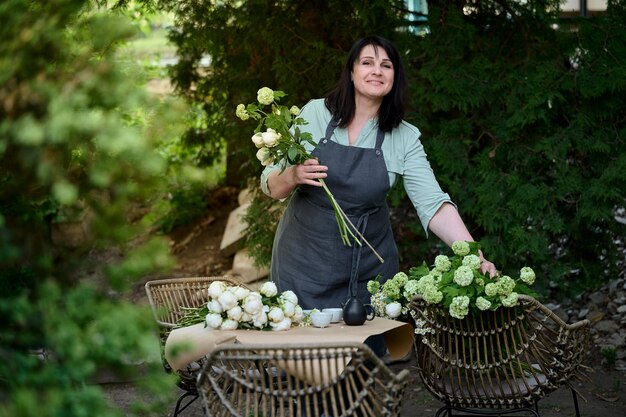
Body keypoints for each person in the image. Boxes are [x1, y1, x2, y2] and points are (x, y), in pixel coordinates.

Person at [260, 35, 497, 317]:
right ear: (351, 71)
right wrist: (294, 174)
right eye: (367, 63)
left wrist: (473, 256)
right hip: (303, 263)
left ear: (394, 77)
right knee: (306, 354)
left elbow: (433, 205)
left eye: (386, 65)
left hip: (369, 271)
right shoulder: (315, 113)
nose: (377, 71)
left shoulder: (404, 137)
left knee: (365, 357)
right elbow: (271, 184)